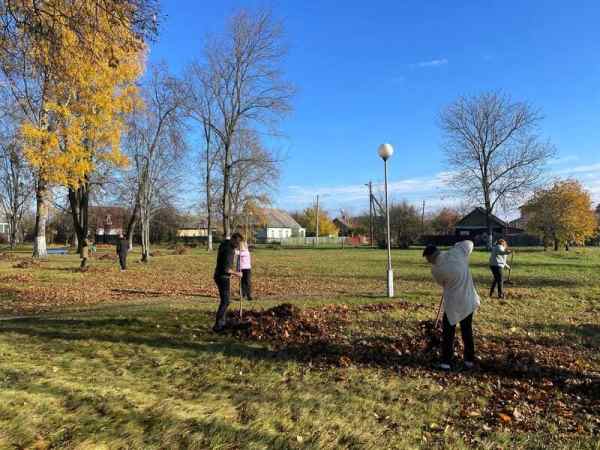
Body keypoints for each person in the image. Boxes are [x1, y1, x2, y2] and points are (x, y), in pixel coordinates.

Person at [423, 241, 480, 371]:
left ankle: (446, 362)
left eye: (427, 259)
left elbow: (442, 283)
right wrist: (455, 246)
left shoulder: (436, 270)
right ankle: (469, 361)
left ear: (432, 256)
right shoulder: (457, 252)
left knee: (448, 333)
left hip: (453, 304)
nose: (428, 262)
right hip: (468, 300)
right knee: (467, 331)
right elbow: (469, 244)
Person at [213, 232, 243, 332]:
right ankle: (218, 325)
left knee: (225, 300)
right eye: (237, 243)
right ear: (233, 240)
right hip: (222, 277)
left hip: (219, 275)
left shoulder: (224, 243)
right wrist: (237, 274)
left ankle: (222, 322)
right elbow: (226, 269)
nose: (238, 245)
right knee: (225, 301)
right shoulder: (229, 250)